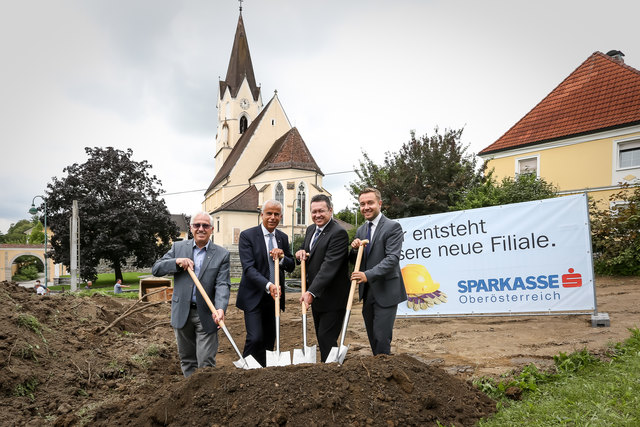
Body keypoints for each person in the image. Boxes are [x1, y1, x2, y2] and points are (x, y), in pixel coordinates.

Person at [152, 211, 231, 377]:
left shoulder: (222, 254)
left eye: (205, 226)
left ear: (211, 229)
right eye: (197, 225)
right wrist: (177, 262)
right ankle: (192, 398)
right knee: (187, 360)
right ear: (191, 228)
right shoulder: (178, 248)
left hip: (207, 313)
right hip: (182, 311)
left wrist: (220, 308)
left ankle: (206, 397)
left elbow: (222, 284)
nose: (201, 228)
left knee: (206, 362)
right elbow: (156, 269)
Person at [236, 200, 295, 367]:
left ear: (281, 217)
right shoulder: (247, 236)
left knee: (269, 341)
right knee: (255, 338)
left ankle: (263, 375)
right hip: (254, 295)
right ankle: (247, 370)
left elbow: (291, 266)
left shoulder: (282, 237)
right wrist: (269, 285)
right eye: (269, 213)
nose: (272, 217)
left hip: (274, 298)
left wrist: (283, 258)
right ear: (262, 214)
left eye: (276, 214)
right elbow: (249, 269)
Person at [350, 187, 407, 355]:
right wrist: (354, 249)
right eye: (362, 204)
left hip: (386, 290)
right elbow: (358, 261)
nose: (366, 207)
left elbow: (392, 259)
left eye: (370, 203)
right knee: (373, 337)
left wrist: (367, 275)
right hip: (368, 292)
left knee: (382, 338)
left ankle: (385, 373)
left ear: (379, 204)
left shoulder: (392, 227)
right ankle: (379, 371)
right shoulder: (361, 230)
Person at [295, 194, 350, 362]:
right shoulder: (311, 230)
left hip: (333, 297)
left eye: (321, 211)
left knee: (326, 336)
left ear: (330, 210)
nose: (317, 215)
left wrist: (311, 292)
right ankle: (329, 369)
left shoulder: (338, 233)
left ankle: (333, 372)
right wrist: (300, 252)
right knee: (321, 336)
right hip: (319, 298)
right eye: (314, 212)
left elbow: (329, 267)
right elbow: (307, 252)